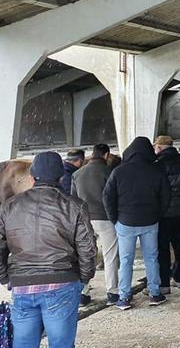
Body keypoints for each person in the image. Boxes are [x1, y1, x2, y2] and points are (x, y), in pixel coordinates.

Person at [0, 152, 96, 348]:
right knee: (61, 344)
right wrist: (84, 278)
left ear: (32, 176)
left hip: (22, 285)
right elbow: (87, 248)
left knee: (24, 344)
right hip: (62, 283)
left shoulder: (9, 206)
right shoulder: (74, 205)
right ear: (61, 176)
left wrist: (5, 277)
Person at [103, 136, 170, 310]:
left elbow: (107, 197)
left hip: (125, 222)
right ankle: (155, 293)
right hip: (150, 221)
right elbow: (166, 197)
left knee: (125, 260)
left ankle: (124, 297)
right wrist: (158, 215)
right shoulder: (156, 171)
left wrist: (115, 219)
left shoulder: (119, 171)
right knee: (151, 258)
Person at [72, 143, 119, 306]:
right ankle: (112, 292)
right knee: (110, 255)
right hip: (105, 219)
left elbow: (73, 200)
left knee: (85, 256)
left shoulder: (77, 174)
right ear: (106, 155)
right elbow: (114, 196)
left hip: (85, 220)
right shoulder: (109, 172)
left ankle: (83, 294)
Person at [154, 135, 180, 294]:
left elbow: (156, 190)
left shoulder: (157, 164)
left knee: (163, 248)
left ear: (158, 147)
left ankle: (164, 283)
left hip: (162, 213)